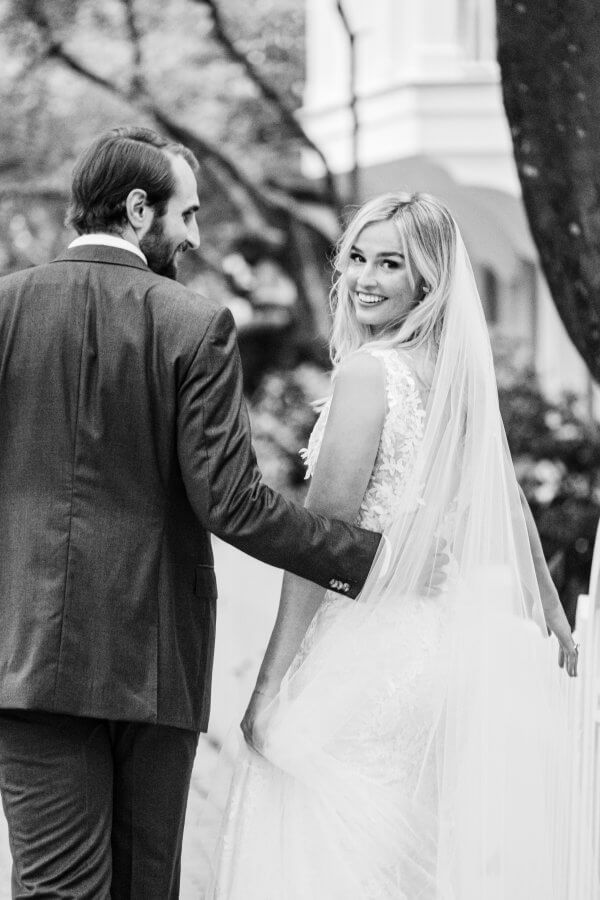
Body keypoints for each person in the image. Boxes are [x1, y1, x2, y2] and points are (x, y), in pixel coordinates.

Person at [0, 126, 382, 898]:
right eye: (188, 215)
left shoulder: (4, 308)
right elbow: (233, 504)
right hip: (153, 659)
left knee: (54, 888)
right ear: (140, 210)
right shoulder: (192, 323)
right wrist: (370, 556)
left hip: (25, 659)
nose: (197, 237)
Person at [207, 192, 582, 899]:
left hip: (368, 653)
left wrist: (270, 684)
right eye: (357, 258)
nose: (364, 278)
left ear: (426, 283)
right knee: (411, 857)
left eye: (390, 264)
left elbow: (322, 544)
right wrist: (553, 617)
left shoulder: (366, 374)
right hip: (439, 653)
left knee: (328, 855)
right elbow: (511, 504)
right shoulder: (452, 377)